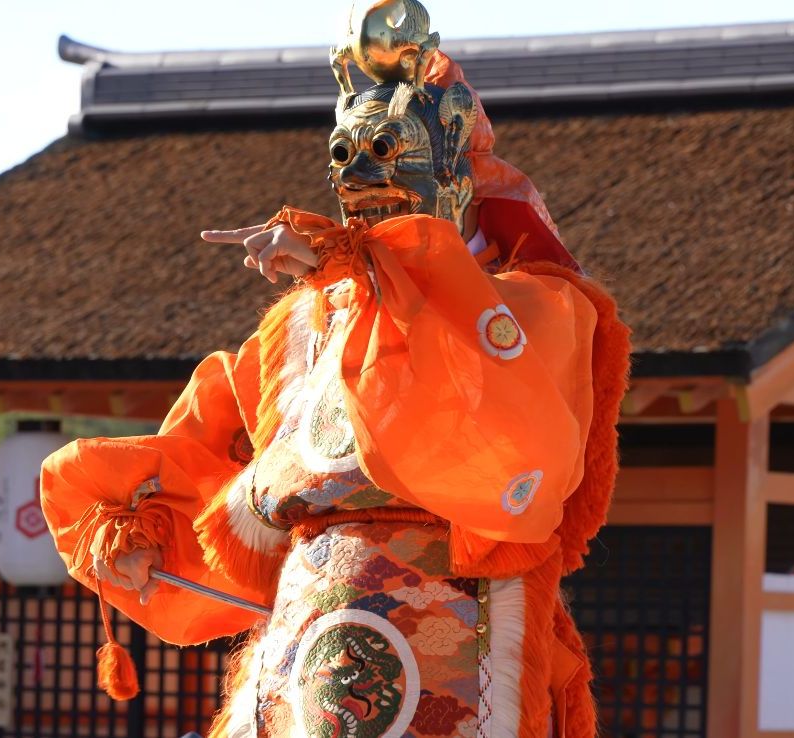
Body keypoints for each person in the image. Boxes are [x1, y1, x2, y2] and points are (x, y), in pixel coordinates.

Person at [40, 3, 630, 736]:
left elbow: (494, 432)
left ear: (456, 168)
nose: (361, 173)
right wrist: (136, 531)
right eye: (346, 153)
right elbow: (208, 459)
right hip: (305, 642)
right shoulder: (300, 322)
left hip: (460, 629)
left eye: (389, 148)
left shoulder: (538, 309)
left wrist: (378, 268)